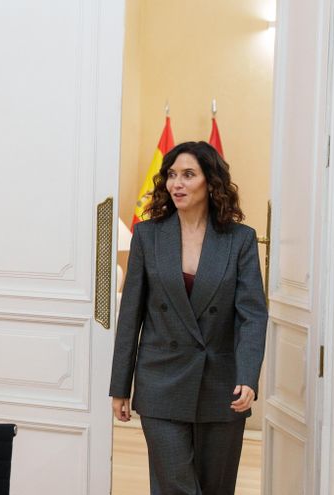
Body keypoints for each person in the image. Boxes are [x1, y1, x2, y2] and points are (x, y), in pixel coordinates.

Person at [110, 141, 268, 494]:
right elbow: (130, 314)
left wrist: (248, 376)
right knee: (176, 486)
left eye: (188, 175)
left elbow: (252, 315)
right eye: (171, 175)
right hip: (160, 381)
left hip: (222, 384)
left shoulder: (240, 240)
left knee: (216, 487)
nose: (176, 183)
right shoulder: (147, 235)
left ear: (210, 183)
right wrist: (120, 386)